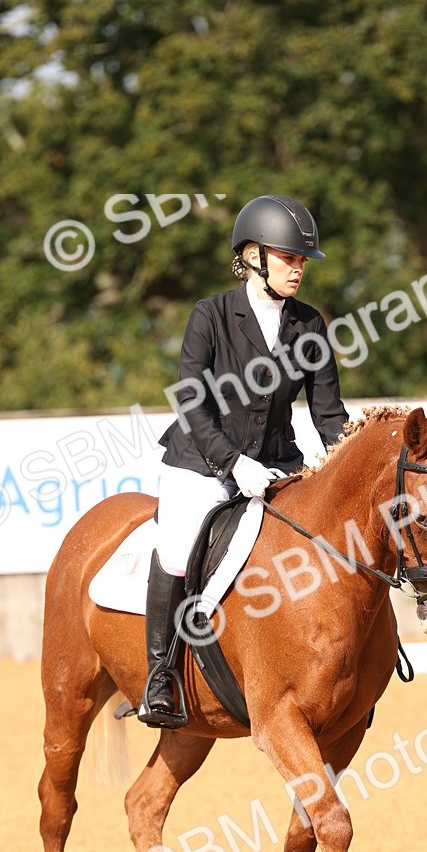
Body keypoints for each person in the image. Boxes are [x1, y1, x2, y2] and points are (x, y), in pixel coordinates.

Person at [139, 194, 349, 727]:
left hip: (278, 463)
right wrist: (233, 464)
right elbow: (191, 402)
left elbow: (328, 414)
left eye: (302, 260)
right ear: (253, 255)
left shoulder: (310, 325)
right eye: (288, 258)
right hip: (203, 460)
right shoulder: (210, 315)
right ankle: (160, 675)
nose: (299, 268)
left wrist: (343, 462)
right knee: (182, 546)